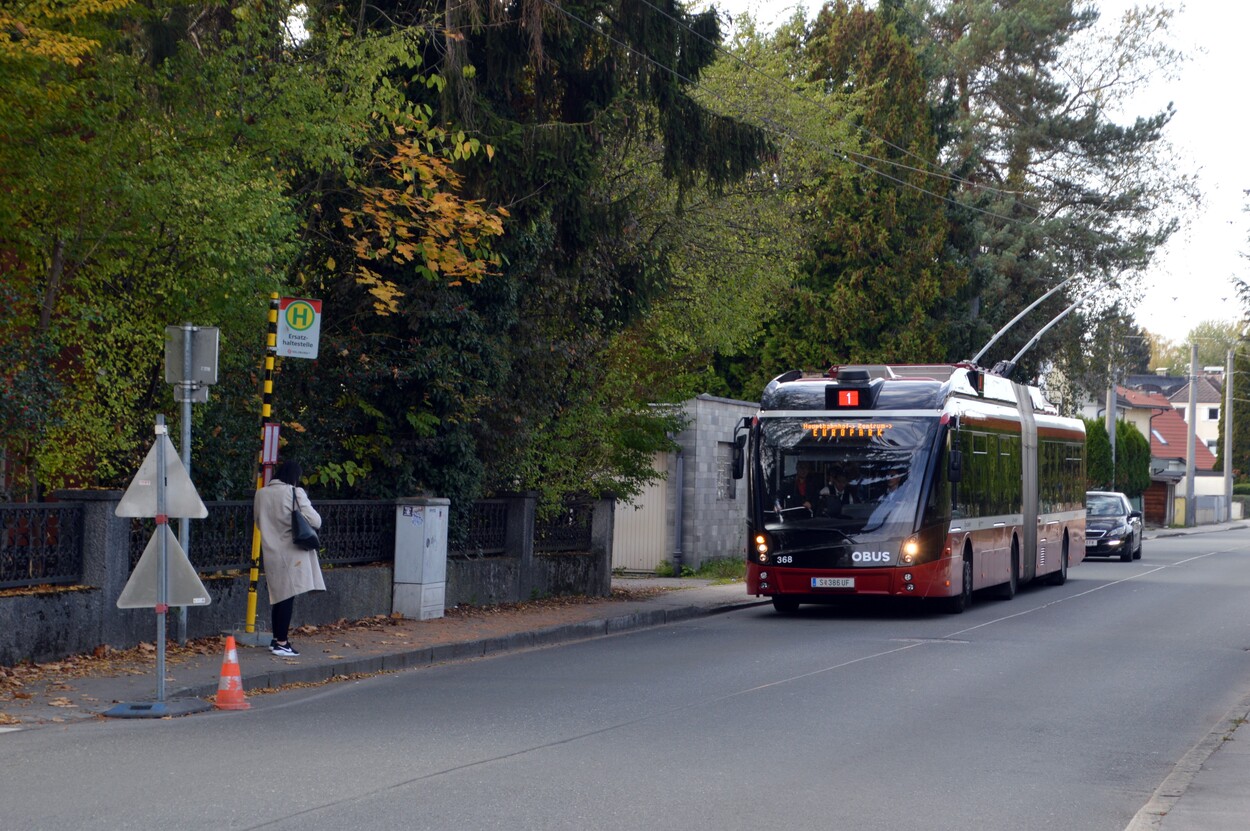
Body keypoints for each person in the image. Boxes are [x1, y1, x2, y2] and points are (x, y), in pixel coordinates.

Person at [254, 459, 325, 657]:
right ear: (294, 476)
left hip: (271, 551)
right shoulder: (295, 492)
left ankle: (277, 639)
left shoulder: (261, 493)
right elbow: (315, 521)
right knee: (287, 597)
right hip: (291, 551)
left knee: (278, 596)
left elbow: (259, 522)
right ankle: (282, 643)